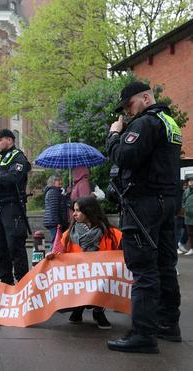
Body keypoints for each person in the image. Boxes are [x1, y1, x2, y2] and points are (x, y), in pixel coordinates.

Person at [106, 81, 182, 353]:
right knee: (164, 265)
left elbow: (124, 157)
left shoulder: (145, 123)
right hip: (166, 202)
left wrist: (114, 135)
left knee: (143, 270)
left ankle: (143, 334)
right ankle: (168, 323)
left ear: (146, 98)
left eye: (130, 105)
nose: (127, 112)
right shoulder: (169, 123)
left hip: (145, 206)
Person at [49, 196, 121, 329]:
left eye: (78, 210)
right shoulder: (68, 235)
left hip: (102, 280)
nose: (74, 214)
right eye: (74, 210)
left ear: (89, 212)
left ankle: (98, 311)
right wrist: (53, 257)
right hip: (78, 280)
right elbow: (60, 255)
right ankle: (78, 307)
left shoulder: (112, 234)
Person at [0, 129, 32, 285]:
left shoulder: (18, 157)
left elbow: (13, 177)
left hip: (13, 207)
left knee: (15, 246)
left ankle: (23, 285)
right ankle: (6, 284)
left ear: (10, 140)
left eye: (0, 140)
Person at [43, 175, 69, 243]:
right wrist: (58, 223)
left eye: (61, 180)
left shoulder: (56, 192)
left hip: (53, 222)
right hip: (54, 223)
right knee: (56, 242)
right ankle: (53, 253)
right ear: (53, 182)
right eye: (58, 180)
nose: (61, 182)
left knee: (56, 241)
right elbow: (54, 209)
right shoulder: (53, 192)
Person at [181, 175, 193, 255]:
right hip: (188, 216)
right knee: (190, 233)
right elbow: (183, 201)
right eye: (190, 181)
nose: (191, 182)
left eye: (192, 180)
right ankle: (191, 248)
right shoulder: (186, 191)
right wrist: (184, 208)